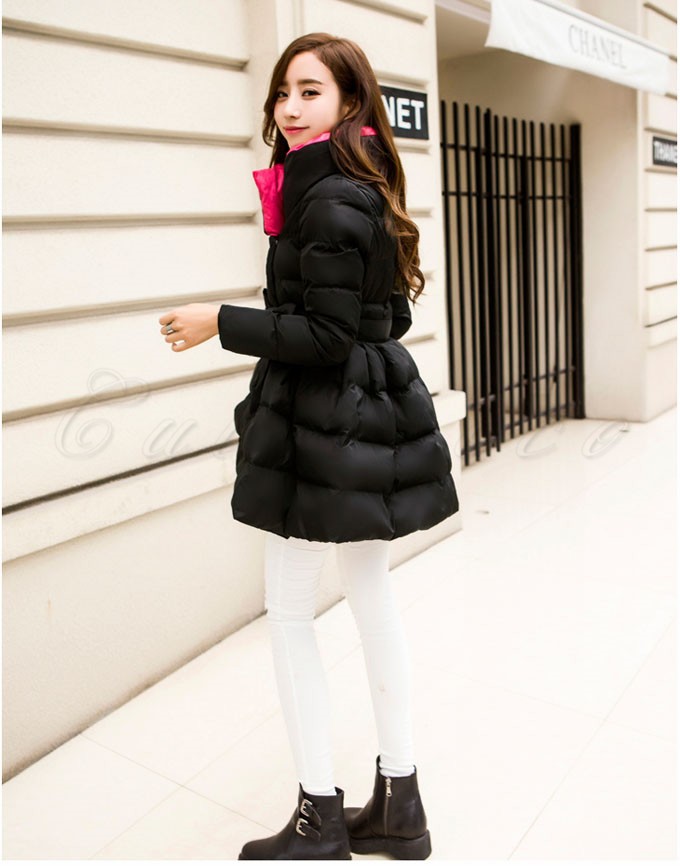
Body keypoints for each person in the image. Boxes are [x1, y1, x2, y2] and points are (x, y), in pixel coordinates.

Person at [159, 32, 459, 861]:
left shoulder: (326, 199)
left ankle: (318, 817)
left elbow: (326, 336)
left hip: (324, 428)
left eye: (310, 91)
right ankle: (399, 803)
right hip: (367, 418)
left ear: (349, 102)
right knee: (370, 594)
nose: (289, 108)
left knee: (291, 612)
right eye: (283, 92)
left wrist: (220, 321)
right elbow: (387, 317)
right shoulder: (364, 187)